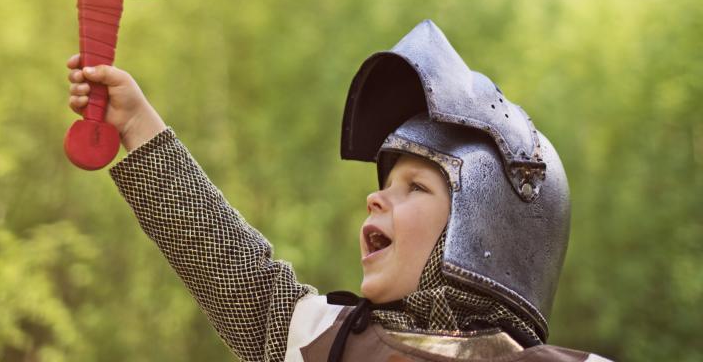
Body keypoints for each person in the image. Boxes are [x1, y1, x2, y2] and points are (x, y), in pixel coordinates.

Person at [67, 20, 609, 361]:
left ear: (487, 230)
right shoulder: (322, 342)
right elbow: (227, 265)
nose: (375, 198)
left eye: (415, 187)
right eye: (385, 184)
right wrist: (137, 123)